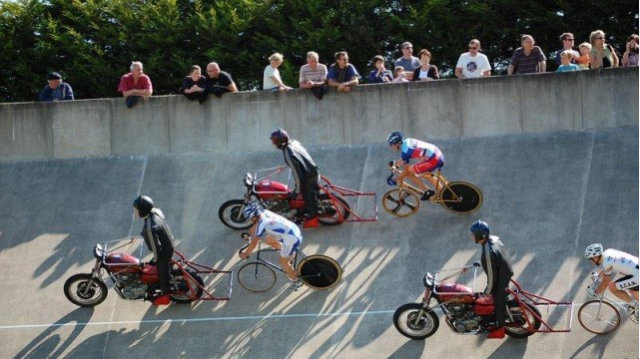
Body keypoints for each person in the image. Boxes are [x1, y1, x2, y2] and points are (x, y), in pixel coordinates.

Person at [239, 203, 304, 289]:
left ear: (254, 216)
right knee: (268, 240)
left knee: (283, 262)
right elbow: (256, 227)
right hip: (292, 230)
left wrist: (246, 253)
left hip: (292, 239)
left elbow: (255, 241)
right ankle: (288, 252)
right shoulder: (264, 213)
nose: (250, 220)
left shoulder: (263, 223)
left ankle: (297, 281)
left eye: (250, 218)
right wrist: (250, 235)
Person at [469, 220, 514, 339]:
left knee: (498, 302)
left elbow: (492, 277)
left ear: (480, 236)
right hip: (506, 270)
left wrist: (487, 292)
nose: (471, 236)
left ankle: (499, 329)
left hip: (501, 277)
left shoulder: (488, 253)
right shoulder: (494, 239)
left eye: (473, 234)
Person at [270, 128, 320, 229]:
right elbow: (297, 158)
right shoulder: (293, 143)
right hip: (313, 170)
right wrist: (285, 166)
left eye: (274, 141)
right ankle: (304, 211)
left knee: (306, 196)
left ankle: (313, 218)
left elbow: (297, 174)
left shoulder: (288, 152)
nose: (273, 143)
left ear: (280, 141)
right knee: (303, 194)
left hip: (308, 176)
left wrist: (297, 191)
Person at [133, 195, 175, 306]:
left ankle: (165, 294)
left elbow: (157, 249)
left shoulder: (149, 229)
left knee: (162, 273)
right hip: (170, 239)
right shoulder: (156, 211)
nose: (134, 212)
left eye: (136, 210)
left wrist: (155, 261)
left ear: (142, 211)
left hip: (165, 250)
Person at [584, 243, 639, 316]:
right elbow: (607, 268)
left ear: (595, 257)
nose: (591, 261)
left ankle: (635, 305)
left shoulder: (606, 263)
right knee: (632, 290)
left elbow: (606, 282)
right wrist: (599, 276)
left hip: (637, 276)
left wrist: (596, 293)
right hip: (636, 271)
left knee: (612, 287)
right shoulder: (608, 252)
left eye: (590, 259)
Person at [387, 131, 444, 201]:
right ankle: (444, 193)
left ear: (397, 143)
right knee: (427, 174)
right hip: (437, 154)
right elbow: (408, 156)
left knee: (409, 173)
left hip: (433, 160)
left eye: (391, 144)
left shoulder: (405, 152)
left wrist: (395, 180)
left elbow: (406, 171)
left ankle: (427, 191)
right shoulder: (408, 141)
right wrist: (396, 164)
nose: (390, 146)